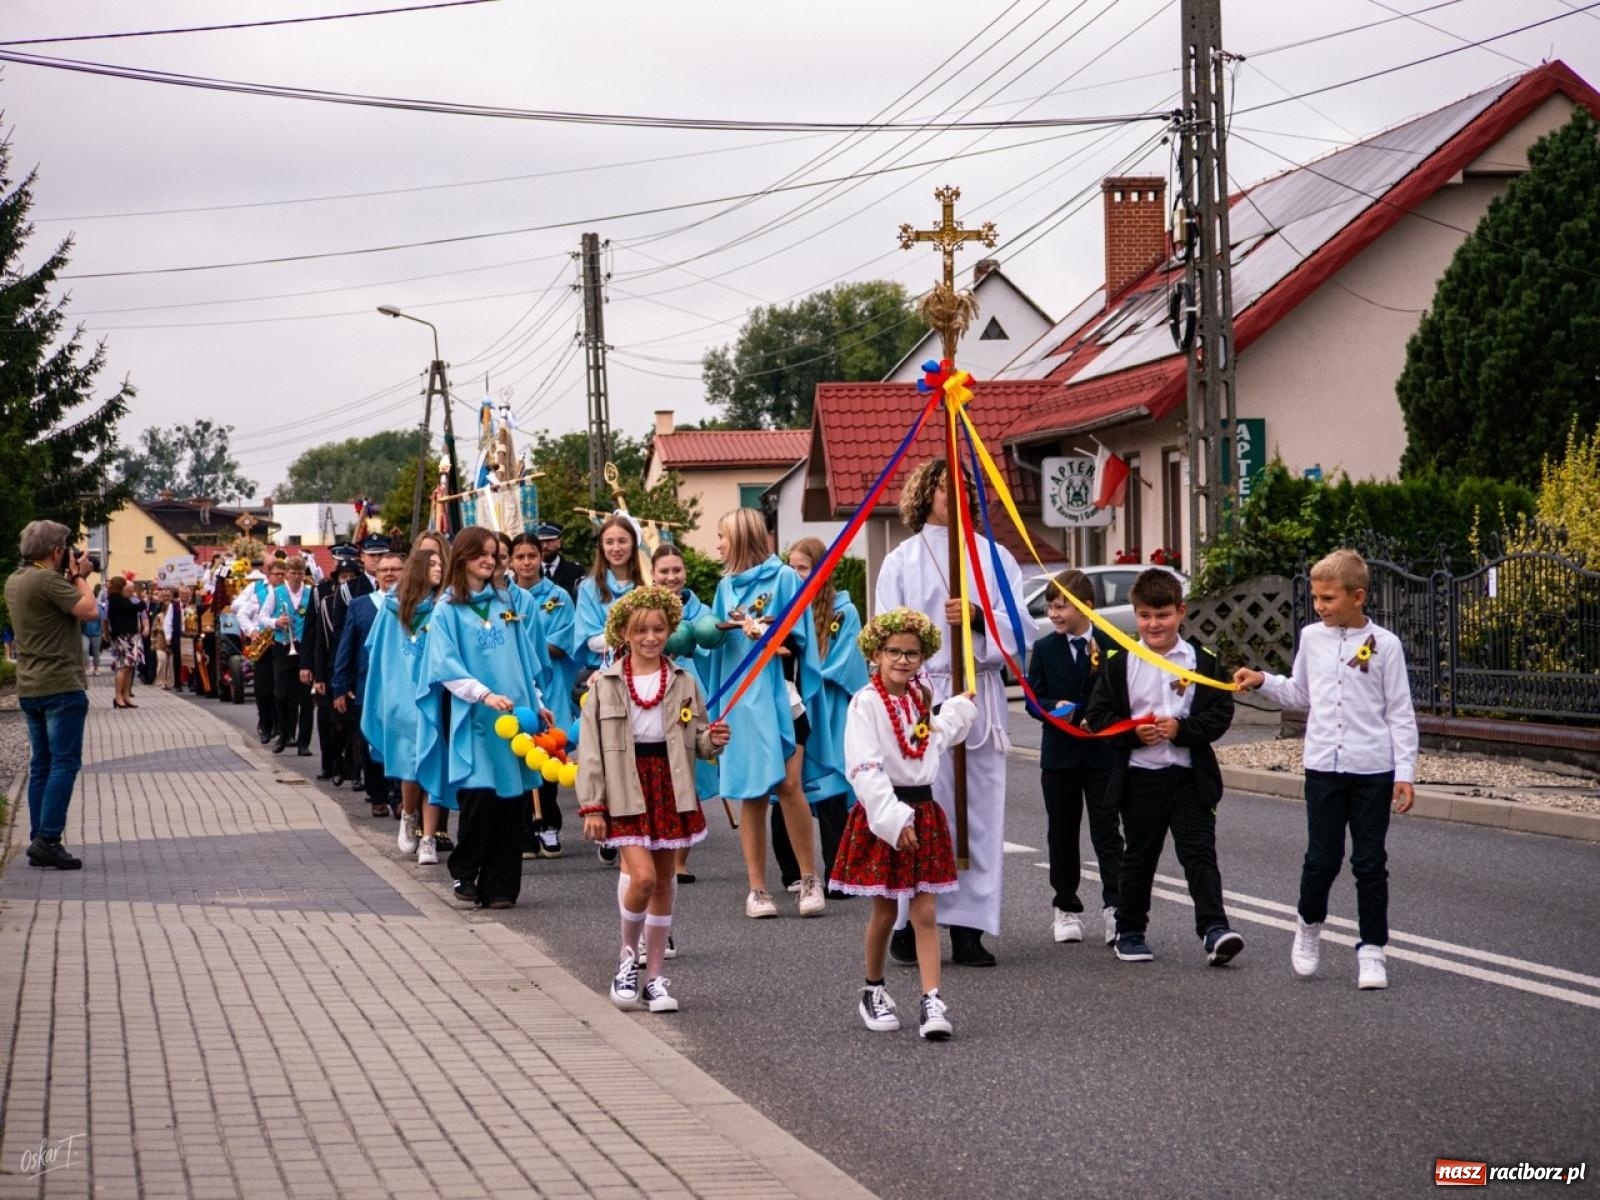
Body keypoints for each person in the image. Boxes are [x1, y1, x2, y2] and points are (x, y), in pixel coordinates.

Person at [1233, 549, 1417, 991]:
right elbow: (1300, 694)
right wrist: (1264, 681)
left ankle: (1372, 950)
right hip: (1323, 767)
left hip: (1372, 768)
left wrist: (1404, 771)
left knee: (1370, 862)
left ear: (1358, 597)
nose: (1319, 605)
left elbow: (1400, 712)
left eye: (1328, 598)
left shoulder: (1386, 645)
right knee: (1321, 858)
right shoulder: (1312, 638)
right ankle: (1309, 926)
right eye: (1316, 597)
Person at [876, 459, 1033, 968]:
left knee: (979, 817)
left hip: (979, 696)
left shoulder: (996, 559)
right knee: (920, 811)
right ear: (924, 494)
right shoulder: (901, 560)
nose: (953, 496)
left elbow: (1024, 631)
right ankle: (907, 921)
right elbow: (882, 635)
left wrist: (979, 618)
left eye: (962, 488)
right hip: (923, 695)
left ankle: (969, 927)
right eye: (943, 488)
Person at [578, 585, 731, 1014]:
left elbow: (697, 738)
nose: (650, 637)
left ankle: (656, 977)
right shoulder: (605, 684)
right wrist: (592, 805)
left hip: (670, 784)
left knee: (665, 882)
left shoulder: (683, 680)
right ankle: (628, 958)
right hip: (626, 788)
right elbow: (590, 749)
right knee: (641, 878)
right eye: (641, 629)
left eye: (659, 629)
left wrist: (712, 741)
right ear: (623, 633)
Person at [1085, 568, 1243, 967]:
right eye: (1145, 616)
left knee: (1199, 853)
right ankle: (1131, 929)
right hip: (1140, 778)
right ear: (1135, 616)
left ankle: (1214, 929)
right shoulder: (1120, 663)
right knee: (1139, 855)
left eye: (1163, 615)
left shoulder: (1202, 662)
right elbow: (1099, 716)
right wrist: (1134, 735)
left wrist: (1182, 729)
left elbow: (1221, 712)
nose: (1154, 624)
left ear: (1181, 612)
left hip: (1190, 776)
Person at [831, 608, 976, 1041]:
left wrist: (958, 711)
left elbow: (928, 737)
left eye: (912, 653)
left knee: (925, 910)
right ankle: (873, 989)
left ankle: (932, 999)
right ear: (876, 653)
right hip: (886, 812)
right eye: (894, 651)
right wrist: (893, 819)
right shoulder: (866, 703)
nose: (903, 660)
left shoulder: (919, 696)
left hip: (924, 810)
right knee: (885, 910)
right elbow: (864, 767)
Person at [417, 525, 554, 909]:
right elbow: (445, 666)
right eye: (481, 553)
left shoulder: (504, 602)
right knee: (481, 799)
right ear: (461, 557)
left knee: (512, 802)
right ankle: (465, 869)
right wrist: (484, 695)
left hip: (515, 718)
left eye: (494, 554)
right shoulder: (446, 609)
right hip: (476, 720)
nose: (489, 561)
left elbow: (523, 659)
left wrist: (537, 699)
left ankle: (501, 888)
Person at [708, 508, 831, 919]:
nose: (718, 544)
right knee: (753, 790)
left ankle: (809, 878)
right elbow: (718, 642)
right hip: (744, 704)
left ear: (742, 538)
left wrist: (767, 632)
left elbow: (798, 639)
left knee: (790, 785)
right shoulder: (725, 586)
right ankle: (757, 889)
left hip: (783, 696)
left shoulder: (783, 578)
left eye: (723, 536)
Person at [1025, 569, 1122, 946]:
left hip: (1102, 755)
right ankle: (1065, 906)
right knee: (1062, 833)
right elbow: (1034, 698)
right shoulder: (1046, 649)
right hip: (1060, 756)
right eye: (1050, 606)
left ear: (1087, 607)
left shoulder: (1113, 644)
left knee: (1108, 833)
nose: (1054, 614)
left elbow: (1123, 693)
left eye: (1062, 606)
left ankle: (1116, 907)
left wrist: (1098, 716)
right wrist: (1053, 708)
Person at [774, 536, 866, 895]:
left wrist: (810, 671)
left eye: (804, 568)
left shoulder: (845, 610)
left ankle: (838, 873)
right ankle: (792, 871)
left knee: (831, 787)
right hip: (795, 704)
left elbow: (848, 661)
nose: (797, 575)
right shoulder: (785, 609)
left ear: (821, 570)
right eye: (792, 567)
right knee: (786, 784)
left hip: (828, 707)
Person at [6, 520, 99, 869]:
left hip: (30, 685)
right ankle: (49, 838)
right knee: (64, 762)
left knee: (41, 764)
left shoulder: (16, 580)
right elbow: (90, 611)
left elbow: (51, 607)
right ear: (56, 551)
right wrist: (80, 577)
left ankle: (37, 836)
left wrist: (68, 577)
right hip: (61, 684)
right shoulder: (48, 580)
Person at [364, 545, 452, 866]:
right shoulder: (391, 611)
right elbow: (379, 654)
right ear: (418, 569)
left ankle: (428, 838)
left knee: (434, 766)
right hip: (402, 700)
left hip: (435, 696)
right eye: (432, 564)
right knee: (411, 767)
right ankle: (409, 815)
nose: (439, 569)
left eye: (441, 564)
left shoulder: (445, 607)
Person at [648, 542, 718, 885]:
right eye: (664, 571)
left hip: (690, 695)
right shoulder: (644, 610)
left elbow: (712, 653)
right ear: (653, 574)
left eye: (676, 570)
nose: (671, 577)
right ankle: (652, 843)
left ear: (685, 572)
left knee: (687, 773)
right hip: (652, 695)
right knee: (657, 772)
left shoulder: (704, 613)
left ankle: (679, 859)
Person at [510, 532, 577, 859]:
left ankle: (549, 822)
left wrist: (523, 646)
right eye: (519, 556)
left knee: (550, 753)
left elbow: (561, 646)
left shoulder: (559, 596)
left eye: (531, 556)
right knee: (521, 755)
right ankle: (524, 827)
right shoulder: (501, 598)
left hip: (551, 686)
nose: (526, 562)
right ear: (510, 561)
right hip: (517, 688)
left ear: (541, 558)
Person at [332, 551, 405, 817]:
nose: (389, 574)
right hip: (368, 687)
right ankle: (377, 795)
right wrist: (340, 685)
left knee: (399, 741)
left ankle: (399, 796)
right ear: (376, 573)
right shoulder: (361, 605)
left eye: (395, 569)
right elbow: (346, 647)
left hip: (401, 687)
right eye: (384, 569)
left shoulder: (413, 604)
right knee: (369, 741)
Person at [258, 556, 315, 756]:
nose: (296, 577)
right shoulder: (277, 592)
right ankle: (284, 735)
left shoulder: (311, 593)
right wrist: (276, 622)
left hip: (305, 649)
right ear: (287, 574)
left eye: (300, 573)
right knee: (281, 695)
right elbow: (262, 617)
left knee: (306, 699)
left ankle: (303, 742)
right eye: (293, 573)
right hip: (283, 647)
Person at [233, 560, 283, 744]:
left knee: (280, 689)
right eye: (276, 574)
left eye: (282, 574)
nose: (279, 578)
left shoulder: (286, 593)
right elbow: (240, 613)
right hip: (262, 643)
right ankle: (265, 724)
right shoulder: (258, 593)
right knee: (263, 689)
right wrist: (252, 631)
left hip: (281, 644)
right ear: (268, 575)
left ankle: (280, 725)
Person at [104, 576, 143, 709]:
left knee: (130, 667)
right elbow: (135, 608)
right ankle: (118, 696)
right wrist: (142, 600)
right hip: (122, 636)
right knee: (123, 666)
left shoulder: (121, 599)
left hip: (131, 635)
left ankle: (125, 695)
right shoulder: (115, 599)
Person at [538, 521, 585, 599]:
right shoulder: (531, 570)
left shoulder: (575, 571)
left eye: (550, 540)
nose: (545, 546)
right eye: (541, 541)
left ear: (559, 541)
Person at [81, 591, 103, 676]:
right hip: (84, 632)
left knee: (96, 652)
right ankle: (87, 667)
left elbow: (102, 620)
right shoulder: (82, 607)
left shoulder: (98, 607)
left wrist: (102, 631)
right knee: (84, 649)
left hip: (96, 632)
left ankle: (96, 668)